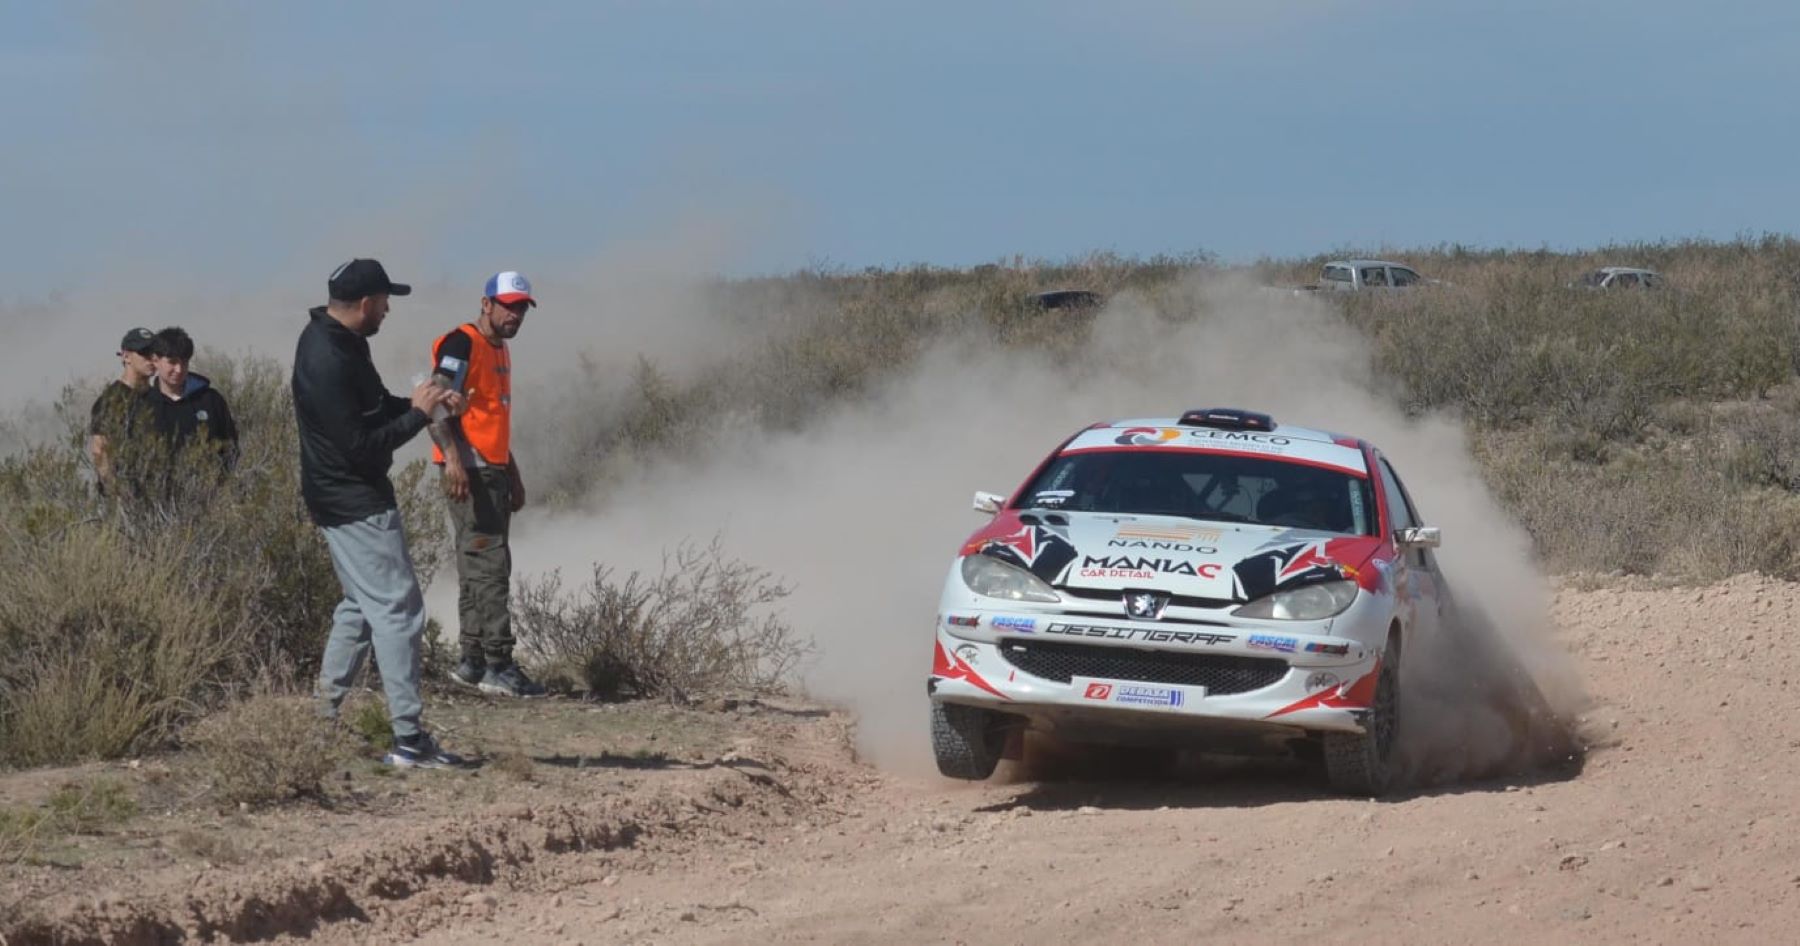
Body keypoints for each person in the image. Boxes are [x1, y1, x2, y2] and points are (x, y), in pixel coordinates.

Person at [292, 258, 467, 769]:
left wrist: (424, 405)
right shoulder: (328, 356)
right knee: (398, 610)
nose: (389, 310)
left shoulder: (337, 341)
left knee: (359, 607)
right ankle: (409, 739)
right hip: (354, 499)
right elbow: (361, 446)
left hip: (336, 496)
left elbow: (369, 410)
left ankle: (321, 723)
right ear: (367, 303)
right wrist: (416, 416)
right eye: (386, 301)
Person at [428, 270, 546, 698]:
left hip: (491, 471)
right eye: (508, 305)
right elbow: (435, 403)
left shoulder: (498, 349)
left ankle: (473, 662)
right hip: (471, 474)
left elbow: (490, 419)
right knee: (489, 566)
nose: (515, 315)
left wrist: (512, 473)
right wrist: (455, 461)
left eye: (521, 308)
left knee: (480, 567)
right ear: (486, 303)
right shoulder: (462, 343)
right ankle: (498, 664)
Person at [140, 326, 239, 469]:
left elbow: (230, 447)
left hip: (208, 488)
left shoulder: (211, 400)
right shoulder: (143, 405)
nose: (179, 369)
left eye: (184, 362)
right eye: (172, 362)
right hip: (158, 489)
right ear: (155, 360)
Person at [88, 327, 156, 492]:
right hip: (126, 495)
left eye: (154, 354)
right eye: (144, 353)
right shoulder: (111, 400)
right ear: (126, 357)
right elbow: (100, 451)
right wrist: (117, 493)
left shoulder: (159, 398)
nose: (151, 359)